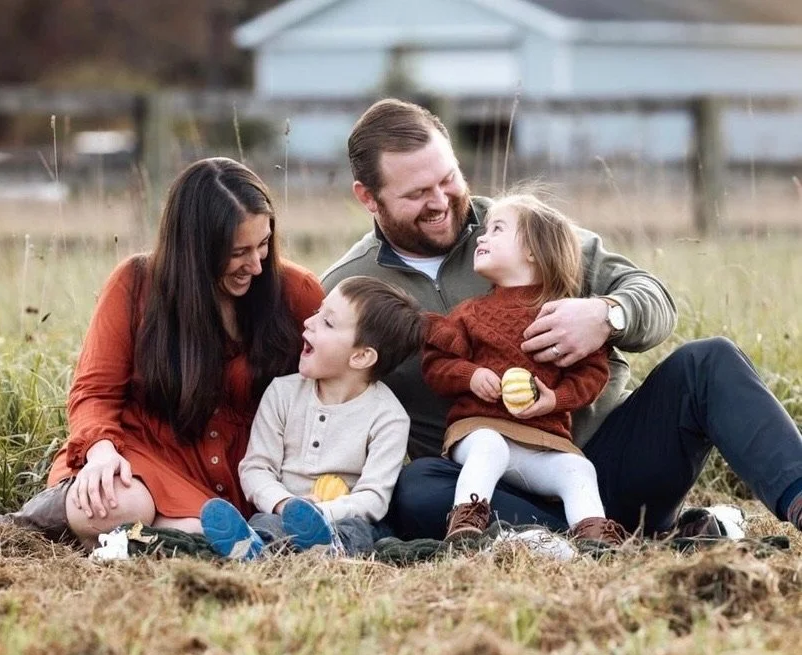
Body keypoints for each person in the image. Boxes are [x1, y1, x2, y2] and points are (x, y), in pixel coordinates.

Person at [322, 98, 802, 540]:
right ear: (368, 197)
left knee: (709, 361)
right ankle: (586, 538)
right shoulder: (347, 289)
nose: (442, 200)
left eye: (448, 178)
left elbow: (654, 300)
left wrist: (606, 314)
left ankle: (795, 496)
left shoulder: (520, 226)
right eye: (417, 193)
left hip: (603, 462)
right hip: (485, 488)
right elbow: (317, 402)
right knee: (416, 488)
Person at [0, 157, 323, 544]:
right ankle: (184, 536)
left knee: (179, 524)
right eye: (238, 251)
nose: (256, 265)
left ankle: (175, 539)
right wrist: (102, 453)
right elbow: (95, 391)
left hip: (250, 478)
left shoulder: (297, 292)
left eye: (263, 244)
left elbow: (335, 385)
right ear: (194, 247)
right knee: (114, 503)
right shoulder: (135, 284)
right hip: (145, 457)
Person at [423, 191, 630, 547]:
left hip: (540, 441)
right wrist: (471, 376)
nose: (482, 237)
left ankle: (594, 536)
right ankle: (466, 525)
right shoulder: (470, 313)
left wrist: (555, 399)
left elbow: (592, 374)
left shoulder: (563, 317)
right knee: (490, 446)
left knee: (578, 469)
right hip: (478, 428)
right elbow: (436, 364)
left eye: (497, 229)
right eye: (485, 230)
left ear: (533, 251)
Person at [199, 276, 424, 559]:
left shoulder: (389, 417)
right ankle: (252, 549)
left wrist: (322, 513)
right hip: (281, 511)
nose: (309, 322)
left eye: (328, 322)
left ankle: (329, 549)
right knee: (265, 524)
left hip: (344, 517)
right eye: (318, 311)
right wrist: (284, 503)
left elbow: (374, 498)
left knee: (360, 531)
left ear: (361, 357)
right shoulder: (282, 393)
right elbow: (256, 467)